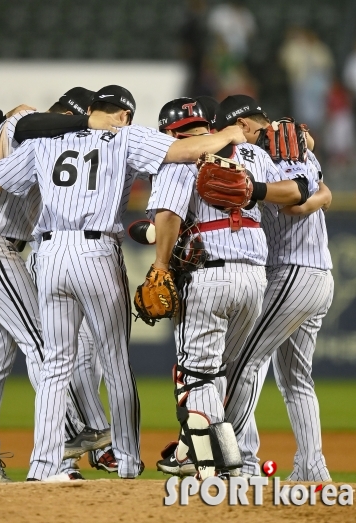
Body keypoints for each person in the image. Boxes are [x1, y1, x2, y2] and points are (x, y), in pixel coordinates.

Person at [0, 85, 255, 481]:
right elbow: (185, 152)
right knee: (116, 363)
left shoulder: (46, 140)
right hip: (97, 252)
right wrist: (228, 135)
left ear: (91, 109)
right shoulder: (125, 135)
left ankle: (44, 466)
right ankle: (127, 462)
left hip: (48, 254)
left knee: (55, 366)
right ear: (124, 115)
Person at [141, 96, 310, 480]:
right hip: (254, 280)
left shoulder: (180, 156)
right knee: (220, 373)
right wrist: (257, 190)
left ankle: (216, 465)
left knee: (195, 376)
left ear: (172, 132)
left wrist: (161, 264)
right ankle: (204, 454)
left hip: (209, 277)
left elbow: (167, 215)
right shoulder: (250, 153)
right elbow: (299, 190)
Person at [0, 90, 114, 484]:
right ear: (72, 113)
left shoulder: (39, 147)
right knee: (45, 342)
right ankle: (66, 443)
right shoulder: (26, 122)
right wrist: (83, 122)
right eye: (81, 117)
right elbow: (33, 122)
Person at [216, 95, 334, 482]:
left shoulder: (272, 153)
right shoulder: (296, 145)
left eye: (238, 128)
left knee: (243, 361)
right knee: (295, 378)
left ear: (247, 125)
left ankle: (238, 461)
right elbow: (325, 194)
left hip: (292, 272)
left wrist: (257, 190)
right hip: (318, 276)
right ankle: (312, 468)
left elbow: (297, 205)